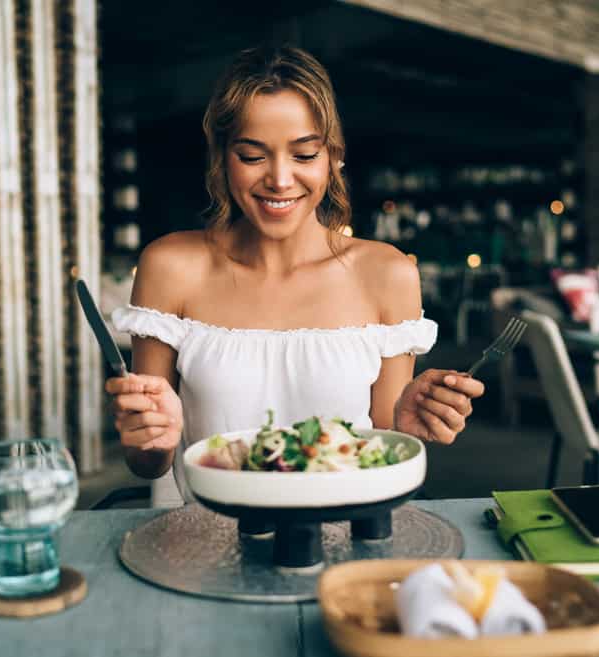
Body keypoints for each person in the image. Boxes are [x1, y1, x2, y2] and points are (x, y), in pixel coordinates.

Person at [107, 45, 485, 506]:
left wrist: (406, 431)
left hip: (345, 548)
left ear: (334, 158)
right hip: (202, 553)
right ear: (222, 159)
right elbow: (148, 463)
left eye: (304, 155)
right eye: (252, 156)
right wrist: (150, 436)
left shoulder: (387, 273)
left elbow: (385, 455)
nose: (280, 179)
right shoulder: (170, 267)